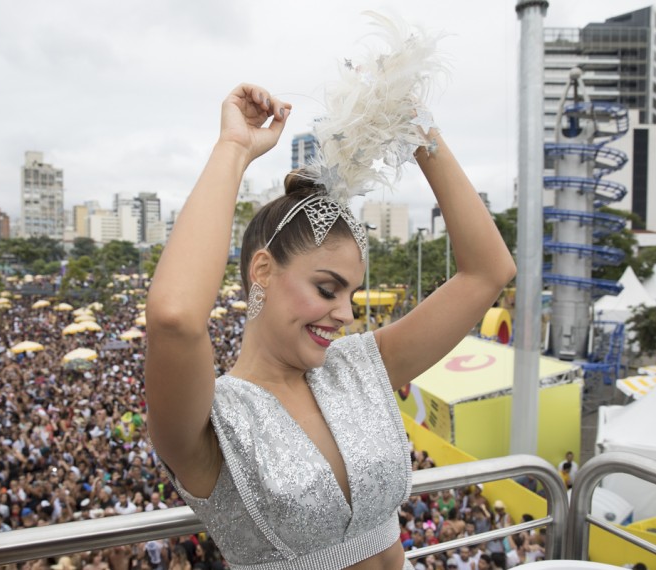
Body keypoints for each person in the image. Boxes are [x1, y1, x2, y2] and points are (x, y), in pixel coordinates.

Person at [146, 30, 514, 570]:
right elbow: (175, 318)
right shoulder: (211, 421)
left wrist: (416, 131)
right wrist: (234, 149)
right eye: (327, 288)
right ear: (263, 270)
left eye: (352, 293)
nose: (345, 313)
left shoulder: (361, 366)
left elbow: (488, 272)